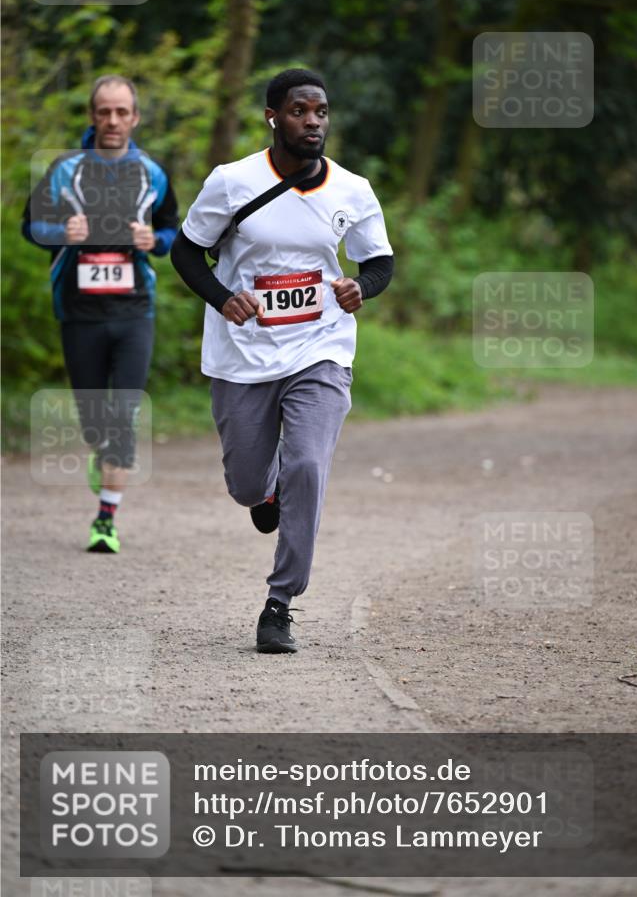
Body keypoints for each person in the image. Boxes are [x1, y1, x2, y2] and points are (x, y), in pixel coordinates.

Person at [171, 67, 393, 653]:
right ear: (273, 117)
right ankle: (264, 494)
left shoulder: (352, 190)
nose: (312, 122)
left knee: (308, 467)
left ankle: (280, 603)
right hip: (243, 354)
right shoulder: (232, 182)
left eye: (320, 112)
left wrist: (361, 288)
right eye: (299, 111)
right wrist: (224, 298)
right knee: (247, 484)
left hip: (320, 350)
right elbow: (186, 252)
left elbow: (378, 262)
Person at [22, 75, 180, 553]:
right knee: (96, 424)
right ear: (93, 116)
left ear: (135, 117)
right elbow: (31, 227)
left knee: (124, 416)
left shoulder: (152, 174)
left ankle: (106, 519)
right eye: (105, 112)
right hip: (79, 311)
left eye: (121, 112)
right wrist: (61, 233)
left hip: (135, 311)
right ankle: (103, 451)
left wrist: (155, 241)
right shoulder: (64, 170)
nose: (113, 120)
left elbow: (172, 230)